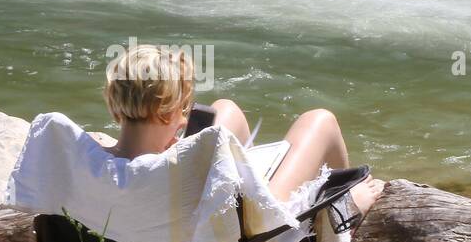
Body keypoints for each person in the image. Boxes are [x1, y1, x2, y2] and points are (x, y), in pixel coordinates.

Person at [102, 43, 382, 216]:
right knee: (320, 121)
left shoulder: (87, 162)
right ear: (168, 115)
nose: (185, 122)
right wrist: (347, 207)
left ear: (115, 106)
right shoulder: (175, 177)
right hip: (255, 235)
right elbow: (269, 228)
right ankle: (345, 215)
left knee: (226, 109)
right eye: (183, 112)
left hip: (159, 233)